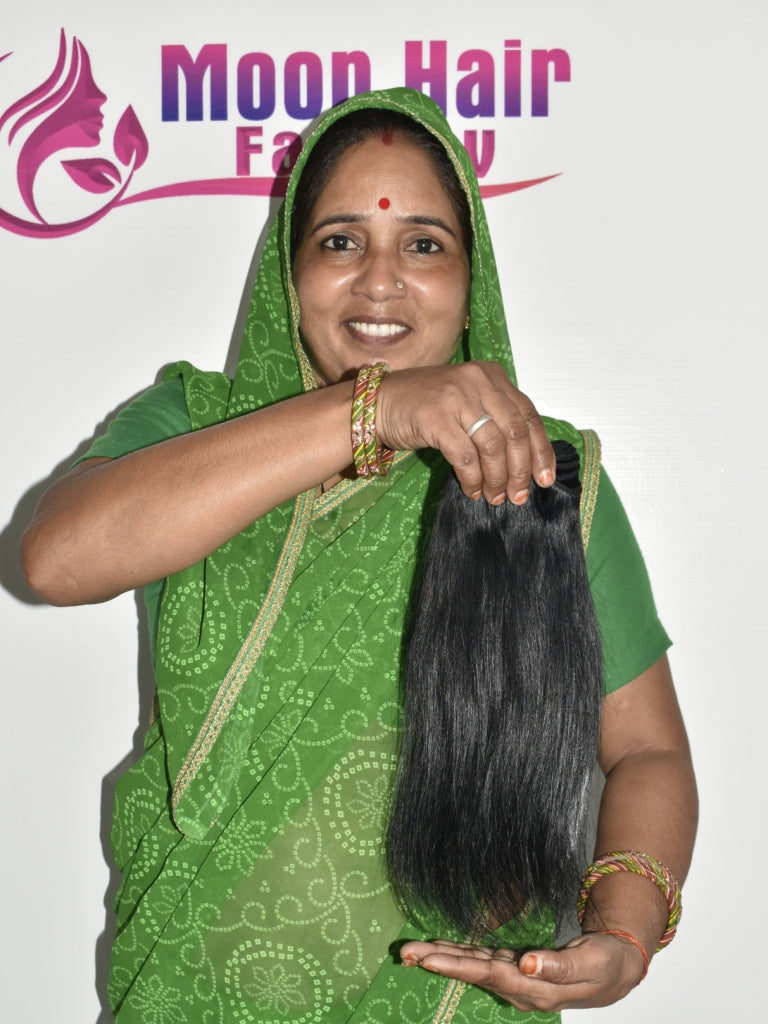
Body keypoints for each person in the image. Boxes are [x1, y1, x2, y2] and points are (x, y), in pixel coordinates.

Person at [21, 87, 697, 1023]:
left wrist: (622, 933)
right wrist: (373, 410)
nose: (380, 282)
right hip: (190, 993)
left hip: (454, 1000)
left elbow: (649, 750)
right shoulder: (194, 426)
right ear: (289, 270)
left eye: (424, 245)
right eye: (340, 241)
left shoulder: (539, 477)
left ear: (471, 279)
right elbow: (56, 561)